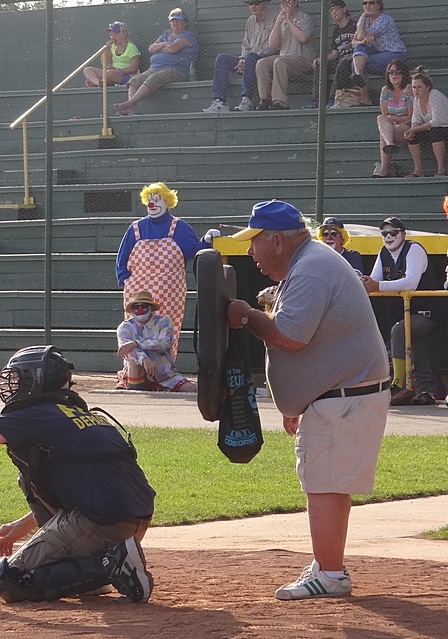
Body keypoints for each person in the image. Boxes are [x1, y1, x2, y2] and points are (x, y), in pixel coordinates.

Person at [226, 200, 389, 600]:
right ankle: (326, 565)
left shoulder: (312, 267)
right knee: (328, 483)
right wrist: (299, 401)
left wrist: (246, 315)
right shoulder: (311, 262)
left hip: (344, 396)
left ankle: (330, 574)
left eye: (255, 242)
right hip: (340, 395)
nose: (251, 252)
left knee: (325, 485)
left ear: (277, 241)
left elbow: (291, 337)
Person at [0, 345, 156, 604]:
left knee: (9, 580)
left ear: (34, 380)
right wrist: (19, 526)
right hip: (131, 519)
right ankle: (97, 572)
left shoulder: (35, 415)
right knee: (29, 474)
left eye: (17, 378)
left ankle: (111, 565)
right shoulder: (80, 414)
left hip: (104, 524)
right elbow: (84, 486)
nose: (12, 386)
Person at [116, 182, 217, 361]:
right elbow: (122, 258)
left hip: (169, 291)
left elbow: (194, 252)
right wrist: (125, 279)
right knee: (135, 328)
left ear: (167, 202)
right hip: (138, 289)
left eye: (157, 199)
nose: (152, 204)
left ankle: (165, 370)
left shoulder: (179, 228)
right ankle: (133, 371)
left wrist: (207, 240)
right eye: (149, 199)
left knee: (167, 327)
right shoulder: (135, 228)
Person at [361, 216, 441, 406]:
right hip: (405, 312)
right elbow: (374, 279)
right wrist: (365, 283)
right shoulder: (383, 252)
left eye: (393, 233)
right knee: (414, 339)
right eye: (384, 233)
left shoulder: (414, 249)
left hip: (428, 311)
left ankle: (398, 385)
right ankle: (425, 390)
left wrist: (376, 285)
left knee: (400, 330)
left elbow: (410, 282)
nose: (388, 237)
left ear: (403, 235)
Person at [202, 0, 277, 113]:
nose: (253, 6)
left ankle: (247, 100)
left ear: (264, 3)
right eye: (251, 4)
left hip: (265, 60)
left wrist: (248, 58)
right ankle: (220, 102)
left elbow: (274, 46)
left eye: (257, 3)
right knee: (222, 58)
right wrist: (242, 59)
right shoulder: (250, 21)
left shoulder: (274, 18)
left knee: (252, 57)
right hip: (248, 60)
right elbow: (246, 45)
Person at [114, 8, 197, 116]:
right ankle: (132, 110)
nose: (174, 23)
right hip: (154, 68)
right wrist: (164, 44)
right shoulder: (166, 35)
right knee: (134, 80)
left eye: (178, 20)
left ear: (185, 23)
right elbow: (151, 48)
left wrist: (162, 46)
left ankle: (130, 103)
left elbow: (173, 49)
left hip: (177, 71)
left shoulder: (187, 36)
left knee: (154, 78)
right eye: (172, 21)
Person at [335, 0, 407, 106]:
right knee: (358, 57)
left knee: (358, 60)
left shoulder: (385, 19)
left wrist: (361, 39)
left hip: (394, 54)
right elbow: (355, 40)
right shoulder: (364, 20)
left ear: (379, 5)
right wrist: (363, 21)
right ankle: (360, 84)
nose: (367, 5)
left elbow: (362, 36)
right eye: (365, 3)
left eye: (371, 3)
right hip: (377, 53)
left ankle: (363, 92)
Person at [117, 290, 196, 392]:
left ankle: (157, 386)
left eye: (143, 306)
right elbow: (126, 350)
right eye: (136, 307)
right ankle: (135, 391)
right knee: (134, 363)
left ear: (150, 307)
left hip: (164, 374)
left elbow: (163, 344)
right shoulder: (124, 327)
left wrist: (136, 343)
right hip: (136, 371)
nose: (140, 309)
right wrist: (144, 359)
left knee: (192, 389)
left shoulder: (164, 322)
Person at [255, 0, 315, 111]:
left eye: (288, 1)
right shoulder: (280, 21)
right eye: (282, 2)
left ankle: (280, 102)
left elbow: (303, 38)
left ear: (296, 2)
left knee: (279, 62)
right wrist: (278, 22)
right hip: (284, 57)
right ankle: (265, 99)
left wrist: (289, 20)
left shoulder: (304, 18)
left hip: (302, 59)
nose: (285, 5)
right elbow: (272, 45)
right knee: (262, 63)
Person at [304, 0, 354, 109]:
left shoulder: (354, 25)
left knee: (342, 64)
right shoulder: (336, 30)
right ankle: (316, 101)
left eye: (336, 9)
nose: (334, 12)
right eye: (331, 11)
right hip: (339, 59)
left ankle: (332, 99)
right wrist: (321, 58)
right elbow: (334, 53)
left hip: (351, 60)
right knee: (320, 65)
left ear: (344, 9)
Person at [404, 67, 448, 177]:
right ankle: (418, 170)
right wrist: (412, 131)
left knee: (435, 132)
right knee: (413, 136)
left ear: (427, 87)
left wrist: (415, 129)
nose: (416, 90)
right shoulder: (416, 99)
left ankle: (441, 170)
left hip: (444, 127)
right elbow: (416, 119)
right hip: (434, 128)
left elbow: (438, 121)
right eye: (414, 87)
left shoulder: (434, 95)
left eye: (419, 87)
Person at [371, 61, 412, 178]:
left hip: (407, 126)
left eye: (398, 72)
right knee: (380, 118)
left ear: (404, 74)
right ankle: (390, 144)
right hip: (392, 126)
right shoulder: (385, 90)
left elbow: (410, 116)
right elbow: (384, 114)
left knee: (384, 133)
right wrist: (392, 119)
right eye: (391, 72)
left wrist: (392, 118)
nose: (394, 75)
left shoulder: (408, 89)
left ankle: (384, 169)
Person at [83, 21, 141, 88]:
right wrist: (107, 49)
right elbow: (104, 64)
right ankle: (99, 83)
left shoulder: (132, 48)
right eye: (111, 35)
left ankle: (102, 82)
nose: (112, 37)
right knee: (87, 70)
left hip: (127, 77)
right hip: (110, 73)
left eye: (115, 35)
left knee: (110, 74)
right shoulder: (113, 47)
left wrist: (116, 70)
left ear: (123, 34)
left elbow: (134, 68)